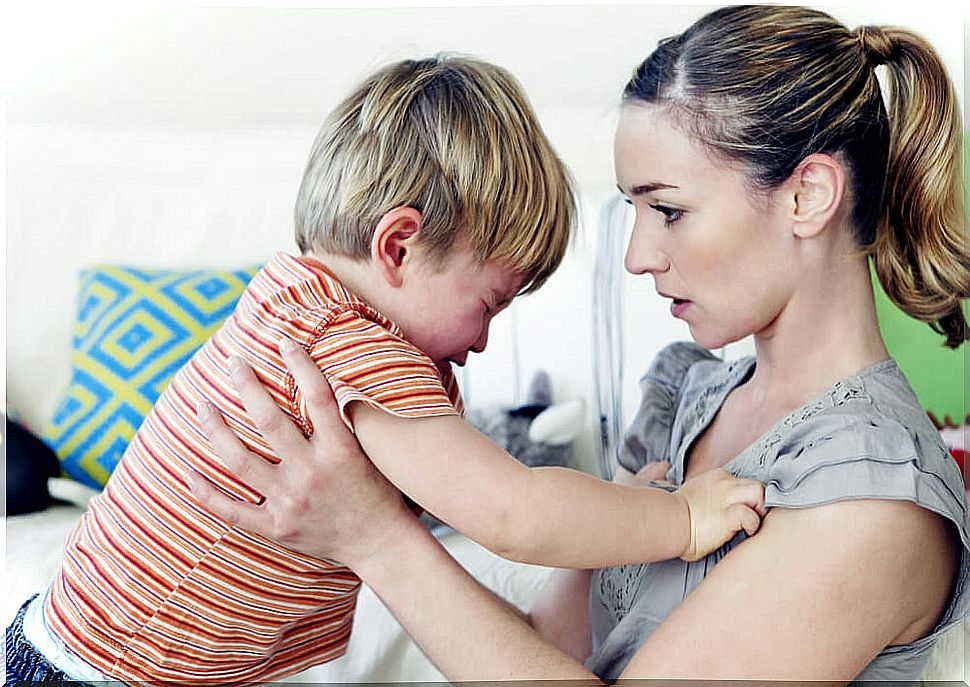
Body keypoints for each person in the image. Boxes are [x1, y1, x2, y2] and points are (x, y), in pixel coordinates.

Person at [188, 5, 970, 682]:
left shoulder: (873, 503)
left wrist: (374, 539)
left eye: (667, 210)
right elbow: (540, 651)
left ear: (808, 196)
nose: (637, 255)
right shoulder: (691, 399)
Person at [5, 55, 766, 686]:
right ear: (398, 247)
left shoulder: (294, 306)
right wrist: (682, 517)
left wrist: (609, 514)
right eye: (489, 303)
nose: (480, 343)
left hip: (68, 648)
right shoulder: (352, 341)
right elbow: (514, 513)